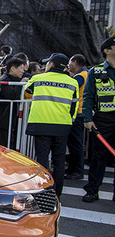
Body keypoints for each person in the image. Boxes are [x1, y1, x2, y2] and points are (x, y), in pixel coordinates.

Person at [24, 53, 78, 197]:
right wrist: (69, 122)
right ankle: (57, 194)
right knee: (59, 161)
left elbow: (27, 92)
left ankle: (43, 193)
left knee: (42, 161)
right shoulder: (72, 82)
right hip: (62, 125)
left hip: (40, 124)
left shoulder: (37, 78)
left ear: (51, 64)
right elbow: (74, 107)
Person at [82, 36, 115, 203]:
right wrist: (87, 118)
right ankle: (92, 190)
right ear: (107, 50)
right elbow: (88, 96)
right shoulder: (95, 72)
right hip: (104, 119)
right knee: (98, 156)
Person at [65, 54, 88, 179]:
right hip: (80, 112)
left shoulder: (80, 76)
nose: (68, 66)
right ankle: (74, 169)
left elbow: (71, 88)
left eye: (70, 63)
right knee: (75, 143)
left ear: (75, 62)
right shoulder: (85, 74)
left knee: (75, 143)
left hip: (77, 113)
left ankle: (77, 170)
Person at [0, 57, 27, 148]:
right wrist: (20, 84)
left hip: (11, 118)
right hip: (4, 119)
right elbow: (12, 95)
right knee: (3, 144)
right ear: (13, 68)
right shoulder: (4, 79)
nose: (23, 71)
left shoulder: (14, 79)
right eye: (21, 68)